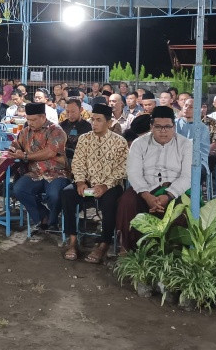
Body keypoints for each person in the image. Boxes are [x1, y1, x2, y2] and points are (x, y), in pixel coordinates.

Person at [117, 106, 192, 252]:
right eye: (158, 127)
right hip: (145, 188)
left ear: (174, 126)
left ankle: (172, 253)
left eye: (167, 127)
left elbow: (187, 176)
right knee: (127, 201)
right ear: (151, 126)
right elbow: (133, 173)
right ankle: (128, 249)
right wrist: (147, 196)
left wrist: (168, 195)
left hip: (174, 190)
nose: (163, 131)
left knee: (182, 210)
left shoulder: (186, 145)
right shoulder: (139, 144)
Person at [60, 103, 128, 263]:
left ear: (109, 123)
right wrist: (80, 182)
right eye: (92, 119)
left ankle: (104, 244)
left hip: (109, 186)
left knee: (111, 201)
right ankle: (72, 241)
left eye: (99, 120)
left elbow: (123, 168)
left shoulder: (119, 142)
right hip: (87, 184)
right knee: (67, 193)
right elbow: (77, 163)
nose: (94, 123)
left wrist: (105, 185)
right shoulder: (84, 139)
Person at [10, 102, 69, 233]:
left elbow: (50, 152)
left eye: (33, 120)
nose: (30, 123)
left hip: (56, 173)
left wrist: (25, 156)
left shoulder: (56, 130)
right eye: (28, 119)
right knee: (19, 189)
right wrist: (14, 149)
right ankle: (43, 216)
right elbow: (16, 145)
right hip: (34, 173)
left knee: (54, 195)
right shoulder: (25, 132)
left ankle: (53, 222)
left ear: (43, 117)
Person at [176, 97, 212, 194]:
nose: (186, 109)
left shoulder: (203, 128)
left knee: (197, 171)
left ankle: (192, 199)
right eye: (185, 106)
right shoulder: (174, 124)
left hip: (197, 161)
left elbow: (203, 150)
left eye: (191, 107)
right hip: (175, 159)